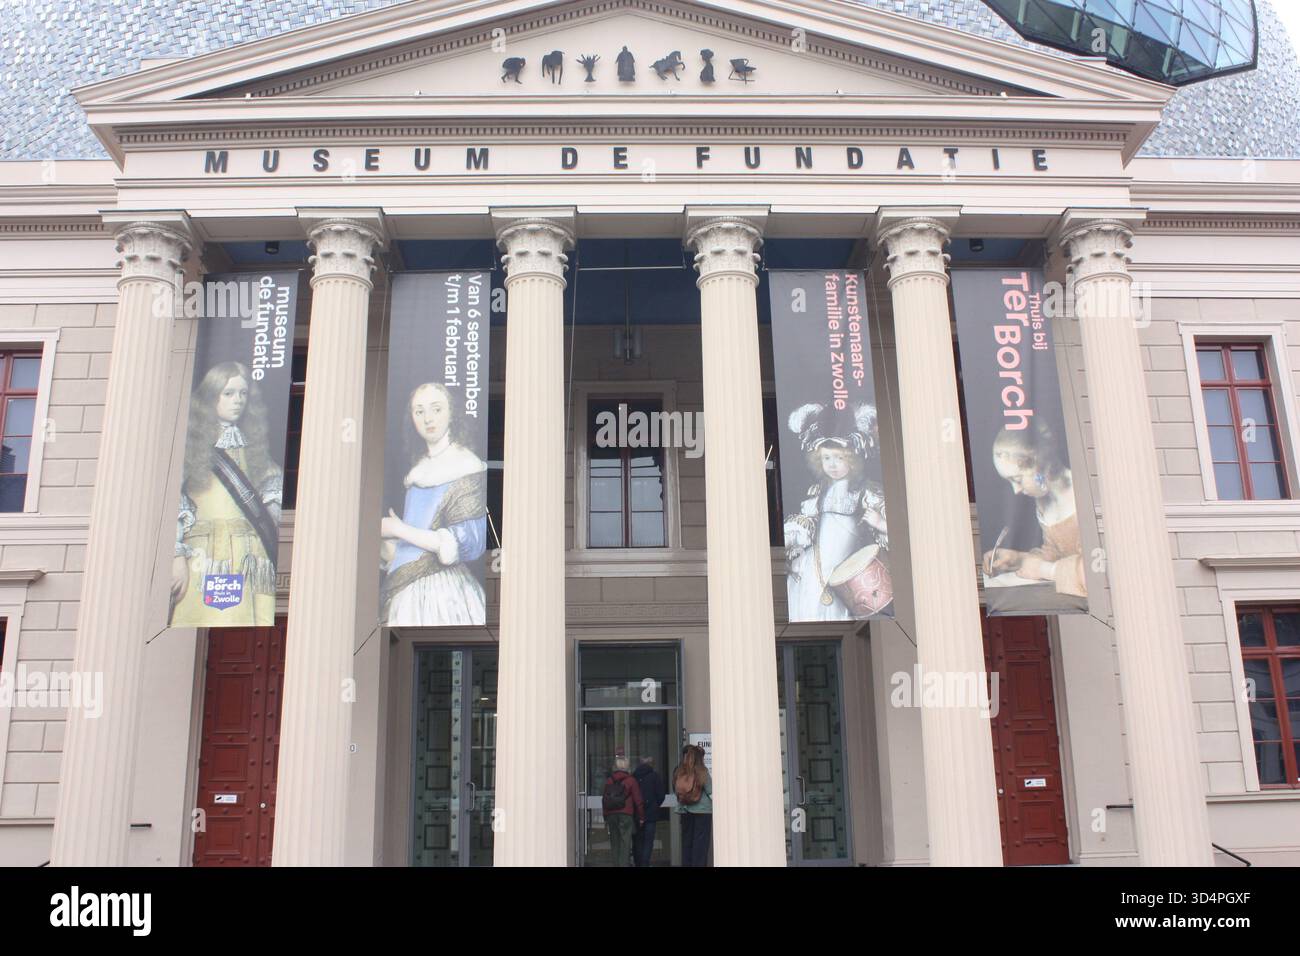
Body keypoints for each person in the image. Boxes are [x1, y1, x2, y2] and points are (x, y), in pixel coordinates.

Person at [171, 361, 282, 627]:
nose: (238, 401)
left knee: (256, 621)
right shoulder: (193, 448)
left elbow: (271, 499)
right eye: (229, 393)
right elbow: (177, 503)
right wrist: (177, 557)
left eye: (243, 394)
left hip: (251, 556)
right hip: (208, 555)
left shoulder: (254, 448)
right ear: (212, 396)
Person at [381, 382, 488, 625]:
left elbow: (465, 542)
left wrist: (397, 529)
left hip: (442, 590)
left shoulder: (465, 464)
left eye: (436, 409)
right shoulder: (419, 467)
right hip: (404, 587)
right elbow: (415, 540)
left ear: (452, 413)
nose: (428, 418)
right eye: (419, 411)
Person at [783, 403, 887, 620]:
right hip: (818, 561)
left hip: (847, 560)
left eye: (839, 458)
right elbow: (809, 524)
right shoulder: (818, 492)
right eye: (827, 458)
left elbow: (891, 529)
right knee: (810, 598)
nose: (833, 465)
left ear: (851, 459)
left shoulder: (864, 491)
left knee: (841, 604)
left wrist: (879, 522)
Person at [981, 421, 1086, 597]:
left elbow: (1095, 570)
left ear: (1039, 464)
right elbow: (1056, 553)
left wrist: (1046, 570)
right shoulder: (1044, 501)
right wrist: (1018, 559)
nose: (1016, 490)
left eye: (1017, 479)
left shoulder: (1082, 493)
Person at [672, 744, 712, 867]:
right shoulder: (702, 771)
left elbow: (676, 790)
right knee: (700, 845)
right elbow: (710, 791)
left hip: (685, 810)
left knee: (687, 843)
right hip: (703, 812)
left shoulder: (679, 771)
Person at [602, 755, 645, 867]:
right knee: (625, 843)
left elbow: (605, 799)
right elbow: (638, 800)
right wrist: (641, 817)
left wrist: (605, 816)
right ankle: (624, 864)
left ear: (615, 766)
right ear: (627, 767)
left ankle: (616, 864)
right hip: (626, 814)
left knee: (614, 842)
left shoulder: (609, 780)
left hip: (611, 815)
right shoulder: (631, 780)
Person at [631, 756, 665, 867]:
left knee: (637, 840)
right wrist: (655, 806)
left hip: (637, 815)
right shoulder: (655, 776)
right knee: (648, 842)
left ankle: (638, 863)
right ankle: (645, 863)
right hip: (651, 815)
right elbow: (661, 795)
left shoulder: (633, 777)